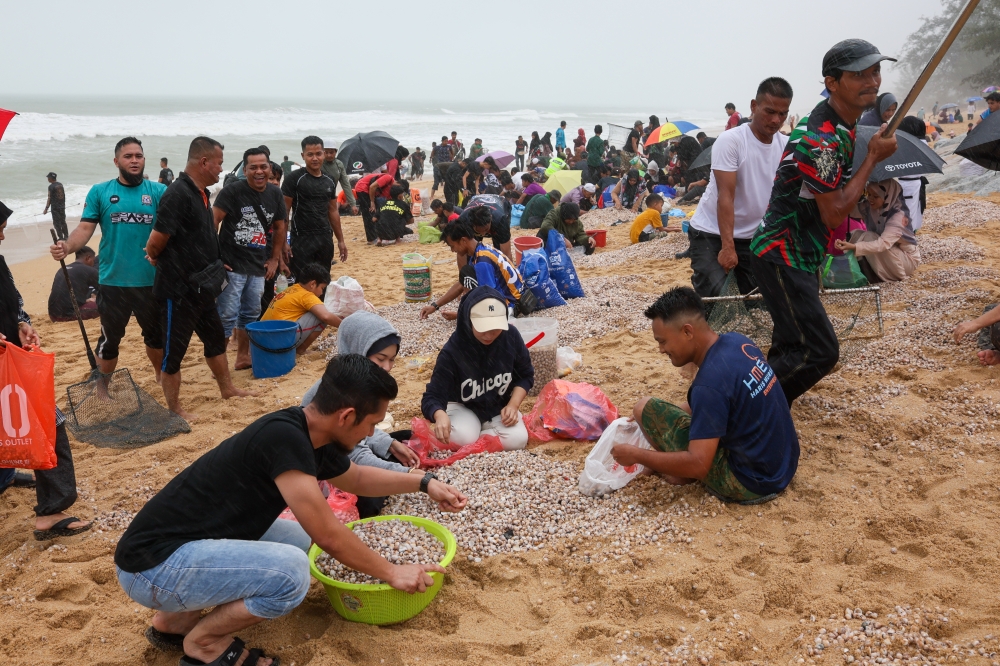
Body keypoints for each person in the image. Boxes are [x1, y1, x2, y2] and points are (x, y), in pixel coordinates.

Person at [115, 354, 467, 663]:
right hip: (152, 568)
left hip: (177, 545)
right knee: (292, 573)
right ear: (346, 416)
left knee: (298, 541)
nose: (371, 433)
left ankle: (172, 622)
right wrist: (392, 572)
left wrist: (423, 483)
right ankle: (204, 642)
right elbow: (328, 534)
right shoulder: (285, 440)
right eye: (372, 424)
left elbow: (357, 478)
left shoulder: (309, 430)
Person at [750, 39, 898, 405]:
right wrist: (873, 158)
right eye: (859, 75)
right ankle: (751, 410)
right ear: (832, 83)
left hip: (797, 251)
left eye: (875, 71)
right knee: (821, 351)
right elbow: (835, 213)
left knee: (791, 342)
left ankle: (760, 405)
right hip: (782, 254)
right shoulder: (821, 138)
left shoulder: (842, 122)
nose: (872, 81)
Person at [611, 287, 799, 503]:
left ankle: (677, 474)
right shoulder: (738, 342)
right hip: (784, 464)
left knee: (644, 407)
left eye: (662, 341)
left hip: (750, 482)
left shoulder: (708, 384)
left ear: (687, 332)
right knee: (653, 414)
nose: (661, 350)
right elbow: (721, 402)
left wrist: (637, 455)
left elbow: (698, 465)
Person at [1, 204, 93, 541]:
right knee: (48, 426)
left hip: (10, 357)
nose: (2, 234)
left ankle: (4, 478)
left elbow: (9, 300)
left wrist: (21, 323)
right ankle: (52, 512)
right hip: (5, 368)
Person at [145, 136, 254, 420]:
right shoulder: (178, 193)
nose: (221, 169)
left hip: (203, 286)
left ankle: (227, 388)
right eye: (218, 163)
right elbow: (155, 242)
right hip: (178, 290)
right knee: (174, 353)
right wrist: (155, 255)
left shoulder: (201, 192)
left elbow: (200, 235)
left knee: (216, 339)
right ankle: (175, 409)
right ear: (204, 162)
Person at [49, 137, 166, 381]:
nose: (134, 160)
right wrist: (67, 245)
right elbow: (84, 229)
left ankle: (159, 374)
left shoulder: (159, 191)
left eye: (139, 156)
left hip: (150, 280)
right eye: (128, 156)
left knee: (155, 336)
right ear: (116, 161)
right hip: (113, 280)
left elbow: (174, 231)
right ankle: (102, 388)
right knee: (110, 339)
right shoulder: (100, 191)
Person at [299, 312, 422, 516]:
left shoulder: (360, 383)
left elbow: (364, 434)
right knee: (370, 499)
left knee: (403, 439)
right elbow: (355, 454)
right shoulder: (341, 393)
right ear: (357, 350)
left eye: (392, 360)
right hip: (327, 465)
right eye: (380, 359)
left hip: (349, 447)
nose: (387, 367)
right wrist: (412, 476)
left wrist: (388, 443)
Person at [688, 77, 793, 298]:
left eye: (782, 114)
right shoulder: (731, 141)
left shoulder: (785, 146)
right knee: (717, 297)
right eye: (770, 111)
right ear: (754, 106)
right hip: (712, 232)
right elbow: (725, 196)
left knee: (753, 299)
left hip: (753, 238)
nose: (776, 120)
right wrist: (728, 247)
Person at [422, 286, 533, 450]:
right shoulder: (453, 351)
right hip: (462, 406)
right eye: (482, 328)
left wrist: (513, 405)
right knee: (461, 437)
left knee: (518, 440)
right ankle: (474, 433)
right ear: (468, 320)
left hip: (498, 405)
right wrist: (440, 415)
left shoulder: (510, 336)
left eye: (495, 328)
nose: (489, 335)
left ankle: (478, 435)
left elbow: (525, 375)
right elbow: (431, 397)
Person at [213, 147, 287, 371]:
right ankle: (220, 363)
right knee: (226, 315)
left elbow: (280, 226)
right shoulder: (232, 192)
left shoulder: (275, 194)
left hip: (257, 265)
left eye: (263, 167)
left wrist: (275, 259)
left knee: (251, 313)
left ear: (269, 168)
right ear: (244, 170)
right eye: (253, 167)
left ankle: (242, 357)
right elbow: (211, 222)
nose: (259, 171)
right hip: (231, 264)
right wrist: (215, 257)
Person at [420, 221, 526, 319]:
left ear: (463, 240)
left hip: (510, 306)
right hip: (517, 297)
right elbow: (461, 284)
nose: (453, 250)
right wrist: (435, 306)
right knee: (466, 273)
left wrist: (461, 315)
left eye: (452, 246)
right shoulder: (481, 250)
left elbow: (489, 300)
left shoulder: (482, 262)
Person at [282, 136, 348, 277]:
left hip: (324, 237)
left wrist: (341, 240)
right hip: (301, 239)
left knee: (323, 280)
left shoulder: (329, 180)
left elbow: (333, 211)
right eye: (310, 154)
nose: (315, 158)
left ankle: (321, 301)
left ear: (323, 154)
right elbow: (284, 212)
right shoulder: (293, 179)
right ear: (303, 156)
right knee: (302, 281)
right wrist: (283, 242)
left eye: (318, 153)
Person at [834, 179, 919, 282]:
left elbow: (883, 244)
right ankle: (853, 268)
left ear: (887, 195)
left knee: (869, 237)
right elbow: (849, 211)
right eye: (868, 194)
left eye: (875, 196)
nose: (870, 199)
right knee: (856, 233)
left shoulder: (897, 217)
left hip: (906, 260)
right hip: (890, 252)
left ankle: (877, 274)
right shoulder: (871, 207)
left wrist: (854, 247)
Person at [261, 262, 342, 353]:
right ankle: (300, 350)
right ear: (312, 284)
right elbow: (326, 317)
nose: (321, 293)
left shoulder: (291, 289)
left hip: (262, 339)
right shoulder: (307, 296)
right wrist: (345, 324)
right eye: (322, 288)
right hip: (277, 341)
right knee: (320, 318)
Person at [47, 245, 99, 322]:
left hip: (53, 315)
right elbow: (106, 289)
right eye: (93, 261)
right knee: (108, 304)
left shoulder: (62, 269)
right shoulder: (89, 270)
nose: (93, 264)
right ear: (88, 258)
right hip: (69, 315)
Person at [896, 116, 930, 232]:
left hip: (907, 184)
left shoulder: (908, 145)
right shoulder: (923, 143)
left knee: (906, 215)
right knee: (913, 213)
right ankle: (911, 236)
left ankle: (907, 239)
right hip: (917, 182)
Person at [354, 170, 396, 244]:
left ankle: (378, 236)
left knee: (376, 214)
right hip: (362, 188)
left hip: (370, 192)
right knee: (369, 213)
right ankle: (371, 239)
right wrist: (372, 202)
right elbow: (372, 187)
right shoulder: (388, 177)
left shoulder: (391, 192)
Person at [321, 139, 359, 216]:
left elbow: (346, 185)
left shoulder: (339, 165)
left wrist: (353, 204)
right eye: (326, 152)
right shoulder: (318, 163)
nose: (329, 155)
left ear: (336, 152)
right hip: (317, 197)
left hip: (331, 197)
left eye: (331, 152)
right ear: (322, 152)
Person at [43, 172, 68, 240]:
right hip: (62, 206)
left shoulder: (51, 187)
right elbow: (63, 196)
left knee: (56, 223)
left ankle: (60, 237)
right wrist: (63, 205)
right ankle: (66, 236)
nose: (48, 179)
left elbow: (49, 198)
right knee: (63, 222)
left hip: (55, 208)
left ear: (51, 178)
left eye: (48, 177)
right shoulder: (60, 184)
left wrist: (46, 208)